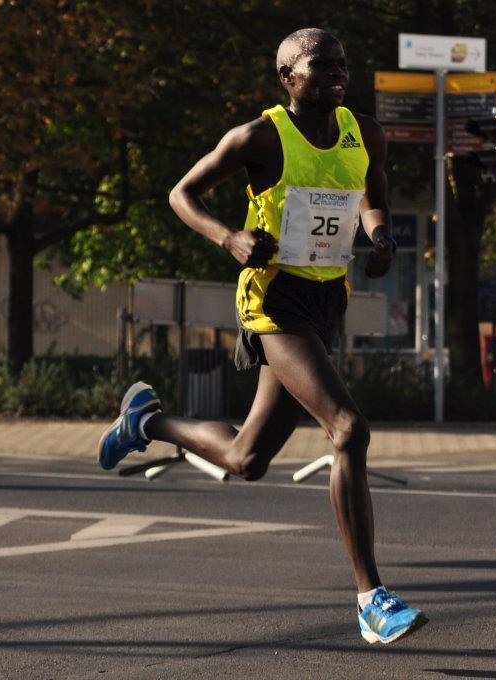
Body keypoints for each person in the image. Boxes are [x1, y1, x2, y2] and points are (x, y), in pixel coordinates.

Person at [98, 27, 426, 645]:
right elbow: (181, 193)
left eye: (343, 64)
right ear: (288, 78)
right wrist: (230, 239)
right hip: (274, 303)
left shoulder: (367, 133)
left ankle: (147, 422)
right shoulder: (259, 136)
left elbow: (371, 200)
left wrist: (380, 237)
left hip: (326, 299)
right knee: (348, 429)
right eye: (320, 64)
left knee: (247, 460)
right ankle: (371, 600)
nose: (336, 73)